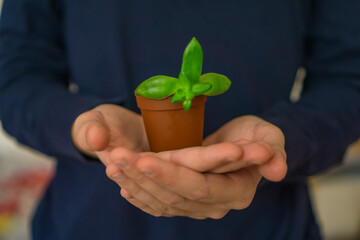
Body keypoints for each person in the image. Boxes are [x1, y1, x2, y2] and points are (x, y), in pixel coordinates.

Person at [0, 0, 359, 239]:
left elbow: (348, 78)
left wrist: (281, 141)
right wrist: (82, 127)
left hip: (271, 226)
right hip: (88, 223)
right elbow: (16, 76)